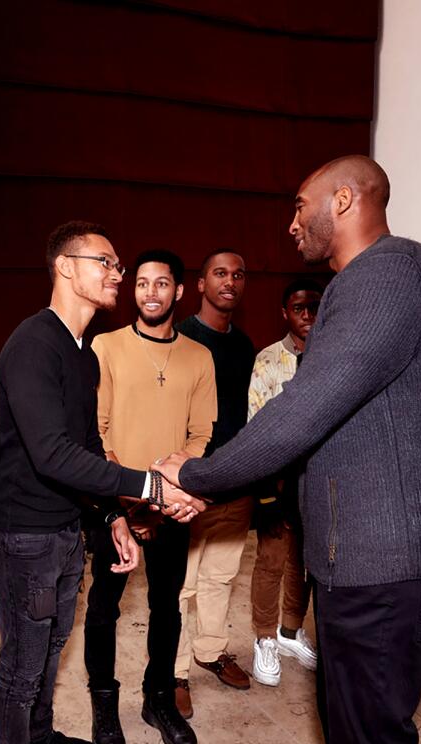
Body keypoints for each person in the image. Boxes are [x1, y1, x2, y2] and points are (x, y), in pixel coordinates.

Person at [156, 155, 421, 744]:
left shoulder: (384, 275)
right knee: (366, 738)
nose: (291, 224)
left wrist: (196, 476)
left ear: (341, 201)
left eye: (299, 206)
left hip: (388, 559)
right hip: (392, 556)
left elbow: (303, 411)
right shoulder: (404, 273)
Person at [0, 221, 204, 744]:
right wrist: (149, 489)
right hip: (23, 532)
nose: (116, 274)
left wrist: (112, 516)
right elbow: (51, 455)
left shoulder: (80, 351)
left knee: (53, 648)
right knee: (22, 666)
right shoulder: (33, 345)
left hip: (61, 527)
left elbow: (81, 442)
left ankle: (40, 735)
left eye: (116, 264)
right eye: (104, 262)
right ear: (65, 267)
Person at [85, 249, 216, 744]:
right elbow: (95, 431)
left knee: (167, 607)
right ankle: (104, 706)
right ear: (132, 290)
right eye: (141, 283)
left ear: (179, 292)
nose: (151, 293)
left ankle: (158, 699)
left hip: (171, 504)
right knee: (104, 607)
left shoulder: (198, 356)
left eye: (162, 284)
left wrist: (170, 488)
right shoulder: (106, 346)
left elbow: (202, 434)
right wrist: (130, 497)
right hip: (114, 503)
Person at [171, 249, 258, 713]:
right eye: (219, 273)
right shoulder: (181, 338)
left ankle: (210, 652)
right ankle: (176, 670)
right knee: (182, 585)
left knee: (221, 578)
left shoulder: (243, 346)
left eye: (238, 274)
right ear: (201, 284)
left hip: (235, 481)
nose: (230, 281)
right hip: (190, 484)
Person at [244, 278, 323, 687]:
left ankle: (291, 631)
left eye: (314, 305)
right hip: (278, 481)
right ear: (285, 313)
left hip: (322, 481)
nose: (307, 315)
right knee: (272, 560)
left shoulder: (335, 356)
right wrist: (265, 494)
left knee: (306, 565)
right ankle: (264, 637)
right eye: (298, 308)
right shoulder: (268, 360)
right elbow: (256, 426)